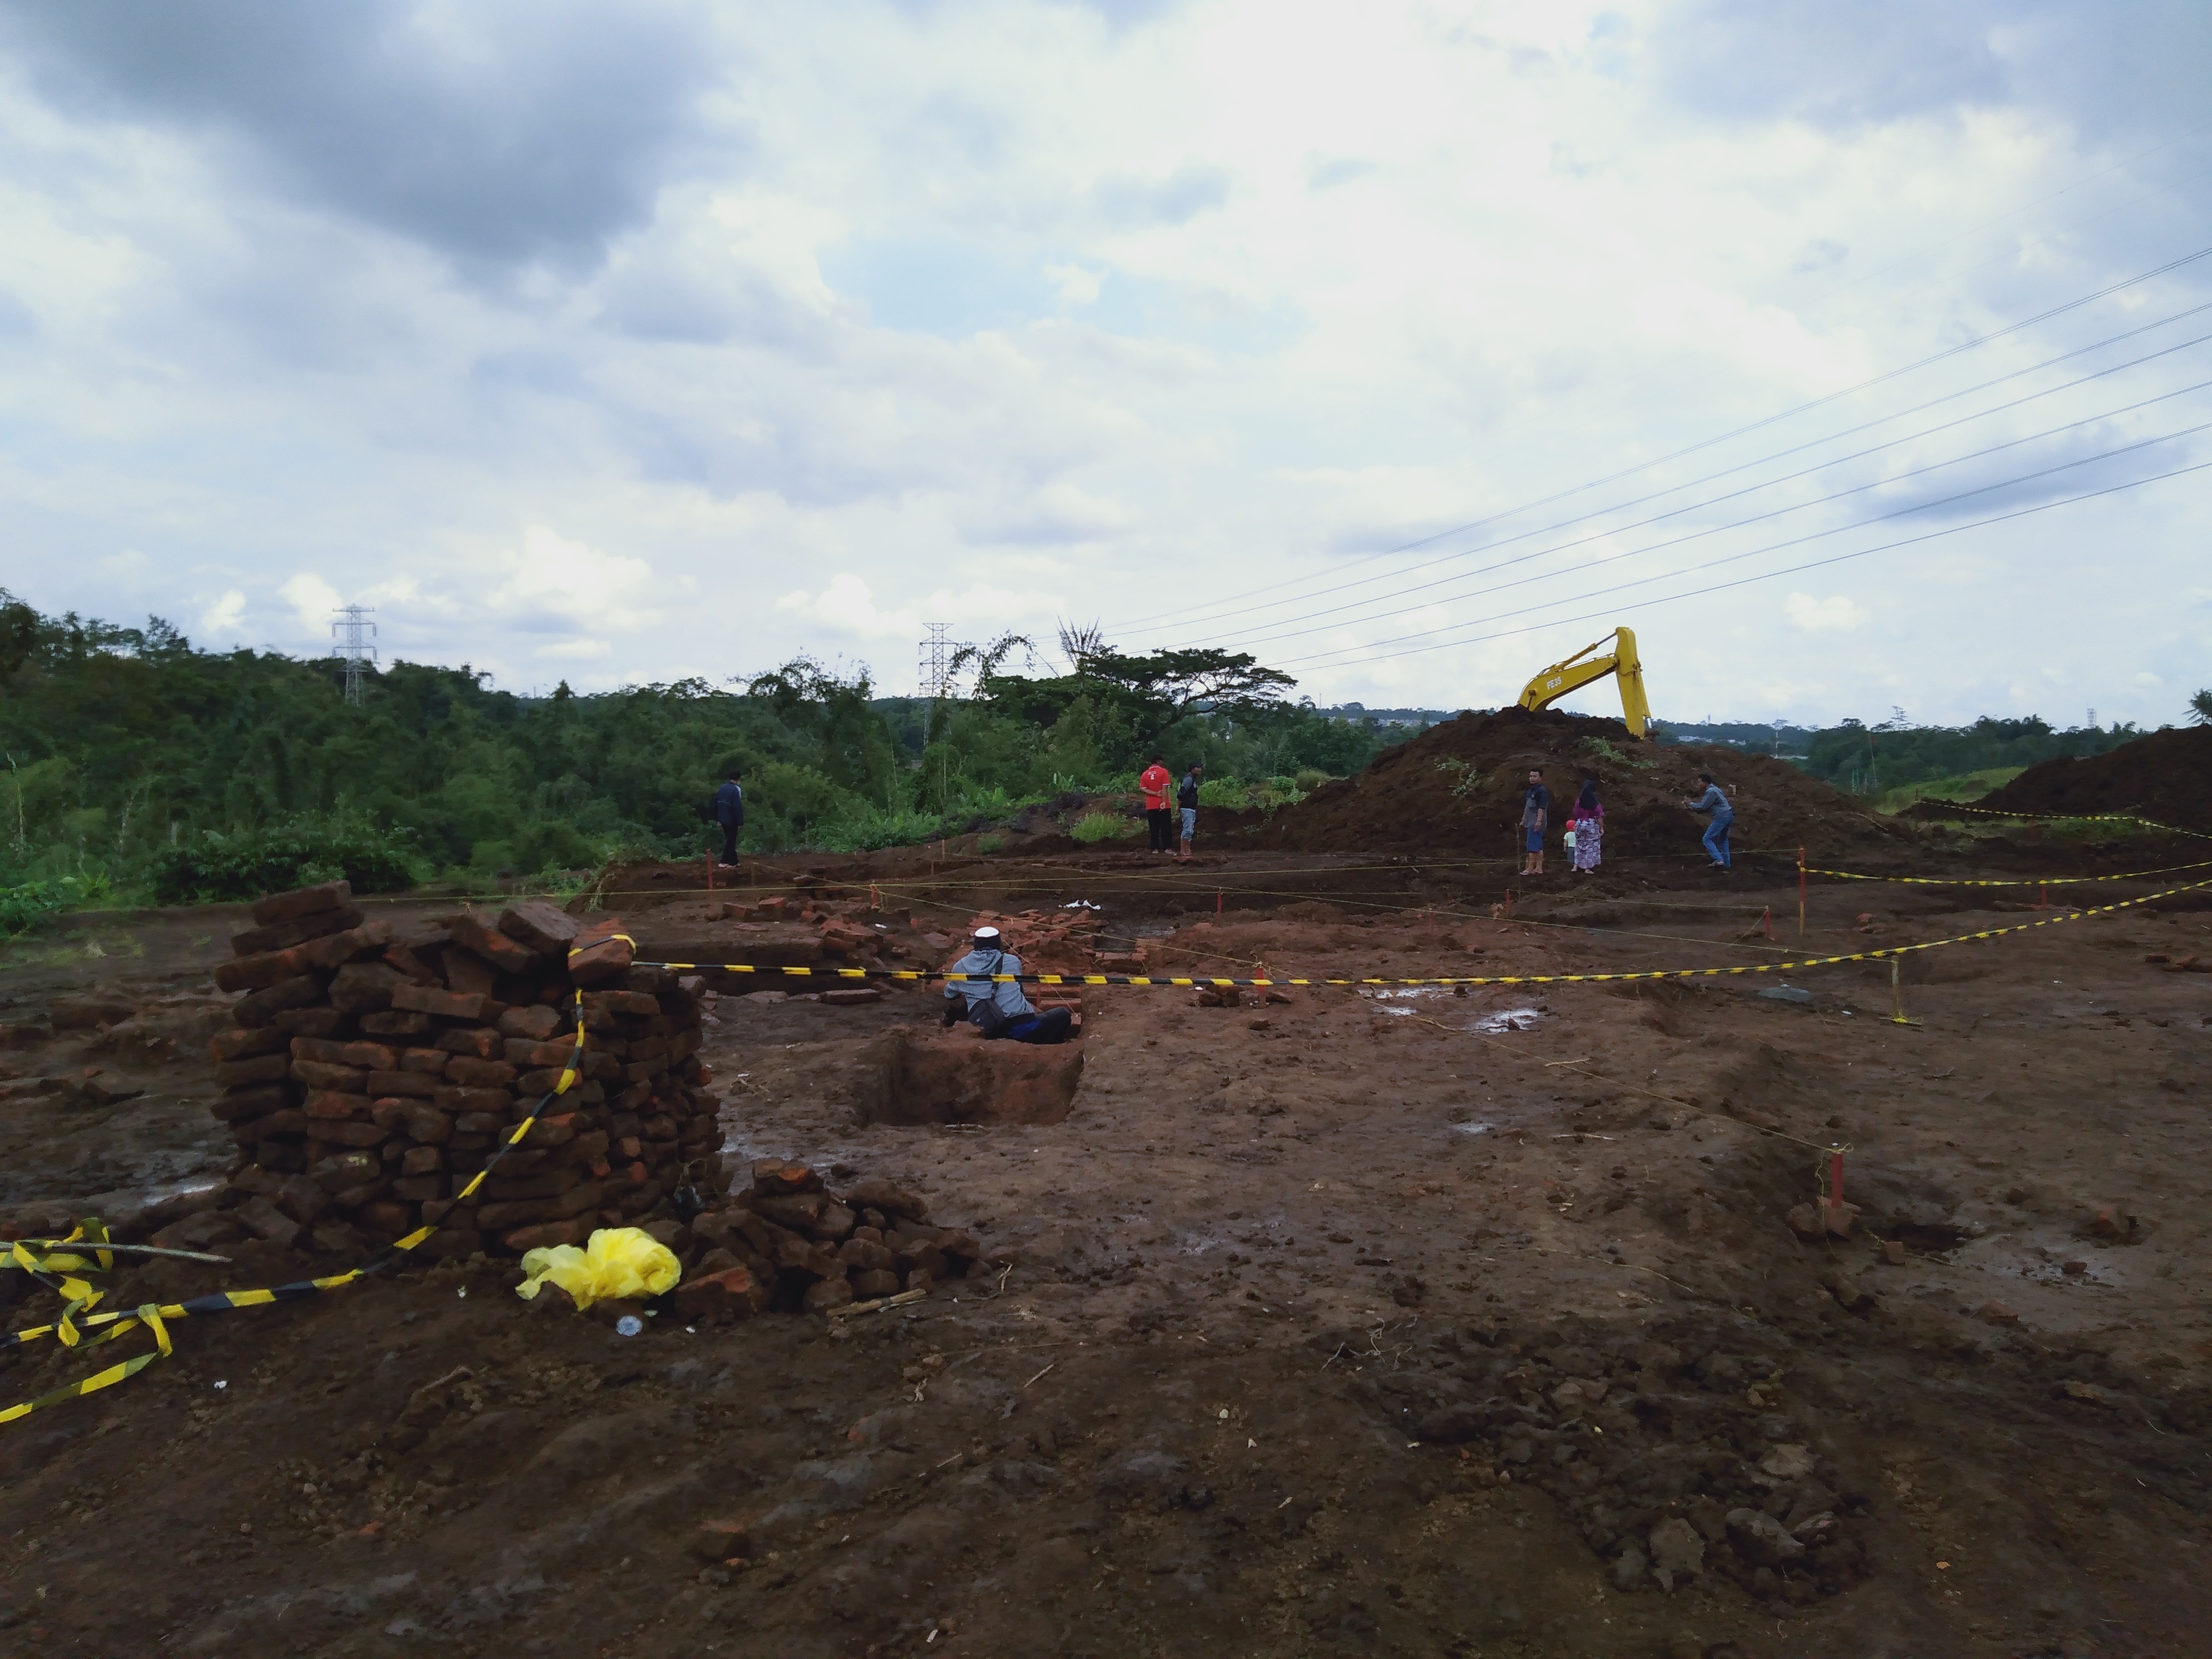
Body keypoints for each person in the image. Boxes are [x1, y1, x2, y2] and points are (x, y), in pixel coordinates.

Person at [940, 926, 1074, 1044]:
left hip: (988, 1029)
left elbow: (949, 995)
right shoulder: (1012, 962)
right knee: (1062, 1015)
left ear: (975, 944)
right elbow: (1020, 991)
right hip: (1023, 1028)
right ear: (998, 944)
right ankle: (1044, 1048)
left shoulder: (960, 967)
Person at [1682, 772, 1733, 868]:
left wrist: (1691, 804)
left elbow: (1703, 806)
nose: (1698, 785)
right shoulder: (1716, 790)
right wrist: (1692, 808)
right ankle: (1727, 865)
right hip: (1729, 815)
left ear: (1705, 782)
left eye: (1699, 782)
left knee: (1707, 839)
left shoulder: (1711, 792)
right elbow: (1707, 807)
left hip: (1721, 817)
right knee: (1723, 840)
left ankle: (1719, 860)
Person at [1567, 778, 1604, 875]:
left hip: (1579, 824)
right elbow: (1599, 816)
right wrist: (1601, 828)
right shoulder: (1595, 801)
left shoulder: (1579, 801)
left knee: (1579, 845)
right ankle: (1587, 868)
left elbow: (1575, 814)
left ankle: (1576, 866)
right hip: (1591, 826)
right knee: (1591, 847)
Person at [1138, 754, 1174, 854]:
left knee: (1154, 827)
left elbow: (1143, 789)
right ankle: (1168, 848)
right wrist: (1163, 801)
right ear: (1159, 762)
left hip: (1150, 805)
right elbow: (1165, 787)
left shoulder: (1145, 774)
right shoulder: (1164, 772)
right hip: (1163, 805)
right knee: (1166, 827)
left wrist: (1154, 793)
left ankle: (1155, 849)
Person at [1519, 768, 1549, 876]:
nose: (1532, 778)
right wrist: (1523, 820)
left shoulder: (1542, 791)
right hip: (1530, 821)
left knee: (1532, 847)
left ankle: (1530, 869)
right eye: (1531, 776)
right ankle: (1539, 868)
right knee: (1538, 846)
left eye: (1535, 776)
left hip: (1536, 822)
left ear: (1540, 778)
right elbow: (1528, 808)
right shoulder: (1531, 790)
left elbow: (1541, 808)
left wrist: (1539, 821)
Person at [713, 769, 745, 869]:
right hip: (732, 819)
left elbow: (717, 804)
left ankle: (734, 861)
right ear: (738, 779)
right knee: (731, 841)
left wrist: (718, 819)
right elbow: (737, 806)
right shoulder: (736, 789)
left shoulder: (722, 788)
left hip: (722, 818)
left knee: (730, 839)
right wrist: (740, 821)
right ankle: (724, 861)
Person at [1177, 761, 1203, 863]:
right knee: (1187, 830)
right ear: (1192, 769)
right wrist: (1178, 806)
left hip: (1191, 808)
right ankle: (1184, 851)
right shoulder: (1189, 779)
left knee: (1190, 830)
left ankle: (1188, 850)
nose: (1200, 769)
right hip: (1186, 808)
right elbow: (1181, 793)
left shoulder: (1194, 779)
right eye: (1198, 767)